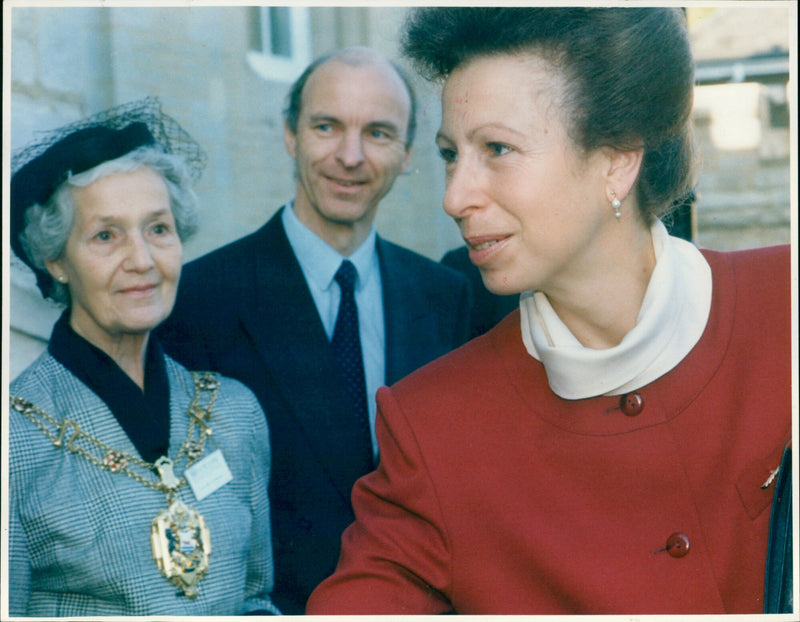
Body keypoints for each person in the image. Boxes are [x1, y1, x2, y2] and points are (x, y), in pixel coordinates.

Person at [307, 8, 792, 615]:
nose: (454, 196)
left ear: (617, 159)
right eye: (451, 154)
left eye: (498, 149)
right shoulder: (431, 428)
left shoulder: (784, 301)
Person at [157, 47, 471, 613]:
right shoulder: (202, 299)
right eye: (327, 126)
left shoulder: (446, 297)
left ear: (406, 154)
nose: (350, 156)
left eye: (378, 133)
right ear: (290, 135)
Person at [8, 98, 279, 617]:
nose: (142, 260)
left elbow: (255, 601)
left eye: (157, 229)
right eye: (106, 236)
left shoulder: (235, 413)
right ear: (56, 260)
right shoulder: (14, 441)